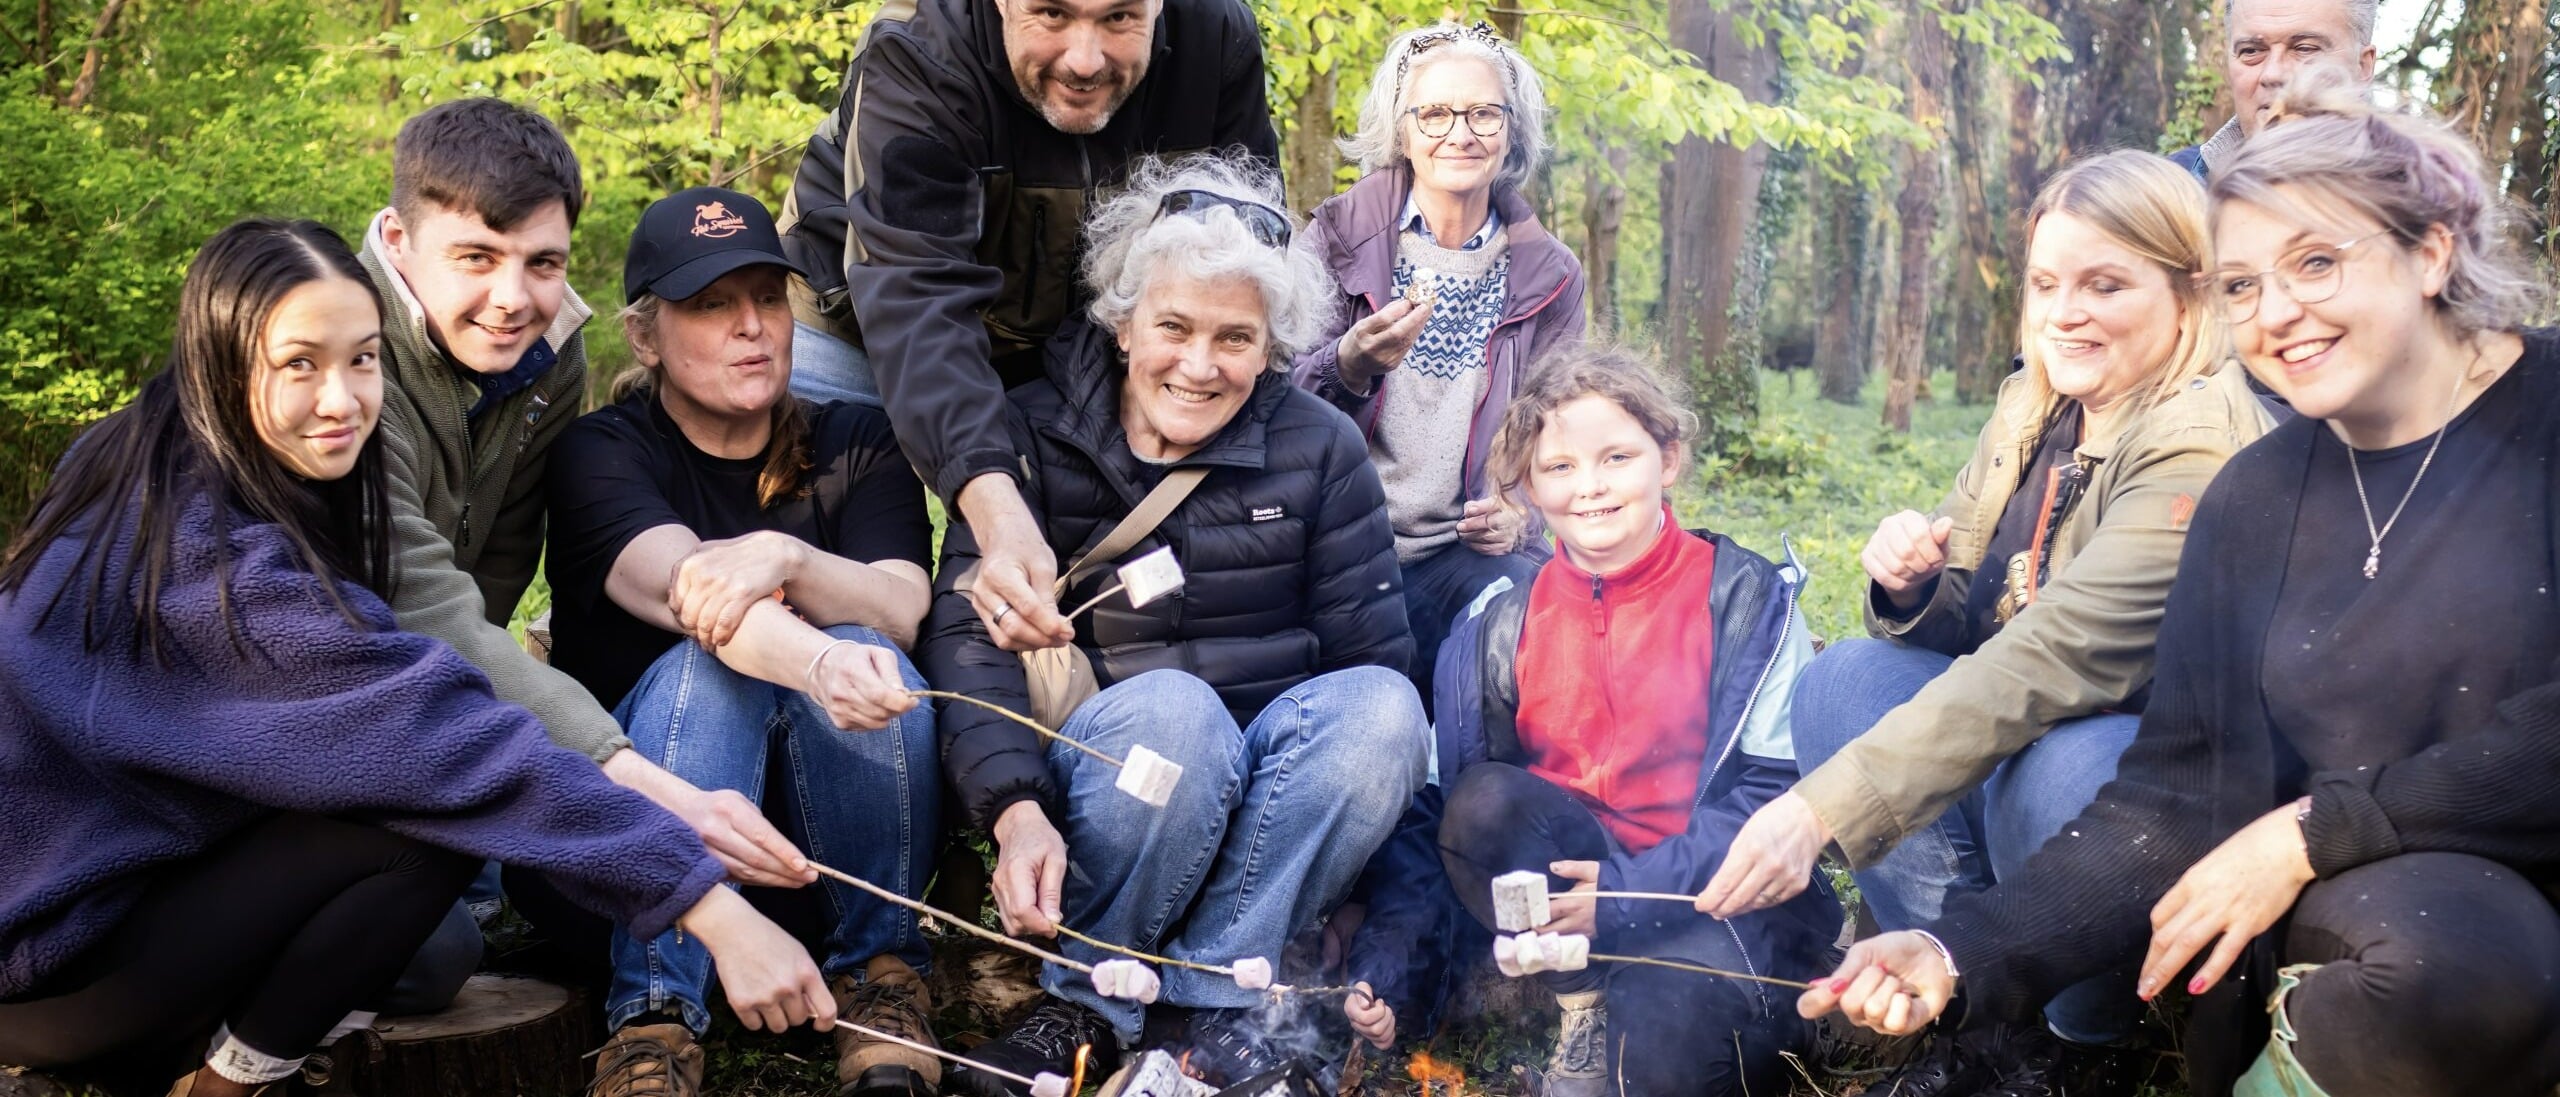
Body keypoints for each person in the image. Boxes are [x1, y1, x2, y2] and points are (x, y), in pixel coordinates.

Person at [1800, 86, 2560, 1097]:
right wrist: (1961, 952)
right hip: (2328, 893)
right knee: (2407, 940)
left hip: (2492, 879)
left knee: (2445, 959)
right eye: (2242, 286)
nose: (2277, 313)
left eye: (2316, 262)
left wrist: (2309, 832)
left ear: (2428, 251)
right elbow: (2177, 791)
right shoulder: (2258, 496)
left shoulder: (2543, 423)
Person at [0, 220, 831, 1097]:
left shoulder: (158, 445)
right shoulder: (212, 567)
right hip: (54, 966)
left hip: (106, 887)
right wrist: (712, 907)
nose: (342, 398)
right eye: (300, 364)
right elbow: (448, 738)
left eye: (362, 359)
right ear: (223, 364)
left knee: (439, 951)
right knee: (415, 836)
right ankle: (219, 1087)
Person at [1699, 150, 2273, 1093]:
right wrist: (1913, 587)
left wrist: (1819, 810)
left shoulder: (2200, 439)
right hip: (2029, 720)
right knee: (1843, 679)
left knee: (2062, 767)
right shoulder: (2034, 403)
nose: (2064, 312)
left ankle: (2081, 1040)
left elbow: (2049, 656)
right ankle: (1969, 1010)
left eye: (2104, 283)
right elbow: (1980, 616)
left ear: (2189, 294)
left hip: (2156, 780)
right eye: (2047, 283)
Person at [918, 157, 1425, 1094]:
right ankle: (1084, 1002)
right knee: (1176, 716)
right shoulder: (1028, 434)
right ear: (1120, 325)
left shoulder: (1321, 447)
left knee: (1390, 709)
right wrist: (1015, 811)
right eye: (1175, 328)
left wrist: (1363, 896)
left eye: (1236, 338)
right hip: (1114, 782)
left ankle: (1211, 1004)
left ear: (1271, 350)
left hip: (1267, 817)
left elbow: (1369, 667)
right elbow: (965, 643)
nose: (1200, 365)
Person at [355, 99, 822, 1011]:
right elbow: (426, 606)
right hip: (305, 700)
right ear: (397, 238)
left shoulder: (544, 358)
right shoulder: (348, 355)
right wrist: (649, 792)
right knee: (422, 950)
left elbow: (490, 583)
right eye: (476, 259)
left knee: (430, 933)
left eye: (543, 263)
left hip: (414, 707)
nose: (514, 297)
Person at [1350, 345, 1836, 1096]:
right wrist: (1393, 966)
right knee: (1483, 800)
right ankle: (1583, 1003)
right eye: (1561, 467)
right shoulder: (1500, 624)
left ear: (1667, 459)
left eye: (1617, 457)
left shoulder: (1748, 602)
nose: (1592, 488)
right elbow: (1437, 814)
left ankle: (1744, 1010)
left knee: (1673, 1063)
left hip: (1709, 896)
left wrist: (1625, 898)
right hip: (1575, 891)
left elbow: (1770, 797)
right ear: (1528, 486)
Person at [543, 189, 942, 1097]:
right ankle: (652, 1018)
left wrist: (788, 555)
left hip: (820, 856)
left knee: (865, 636)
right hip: (631, 878)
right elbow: (692, 591)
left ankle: (881, 978)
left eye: (767, 297)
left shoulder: (853, 440)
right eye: (712, 305)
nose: (751, 327)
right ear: (645, 337)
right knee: (707, 662)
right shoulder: (600, 452)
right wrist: (820, 656)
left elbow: (902, 606)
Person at [776, 0, 1280, 673]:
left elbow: (1244, 258)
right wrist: (998, 511)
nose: (1084, 59)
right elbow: (916, 298)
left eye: (1120, 19)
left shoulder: (1216, 38)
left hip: (1072, 341)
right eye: (1051, 14)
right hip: (858, 321)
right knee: (793, 566)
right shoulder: (920, 46)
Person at [1291, 21, 1583, 703]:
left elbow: (1564, 434)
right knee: (1371, 705)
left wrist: (1523, 514)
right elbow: (1273, 404)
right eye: (1436, 113)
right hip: (1342, 549)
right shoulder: (1335, 240)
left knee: (1535, 624)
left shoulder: (1551, 273)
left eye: (1484, 112)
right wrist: (1348, 363)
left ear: (1511, 131)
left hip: (1465, 555)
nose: (1461, 133)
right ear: (1402, 130)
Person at [2169, 0, 2376, 181]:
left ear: (2363, 66)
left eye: (2305, 49)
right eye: (2251, 51)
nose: (2273, 74)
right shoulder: (2171, 193)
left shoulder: (2405, 202)